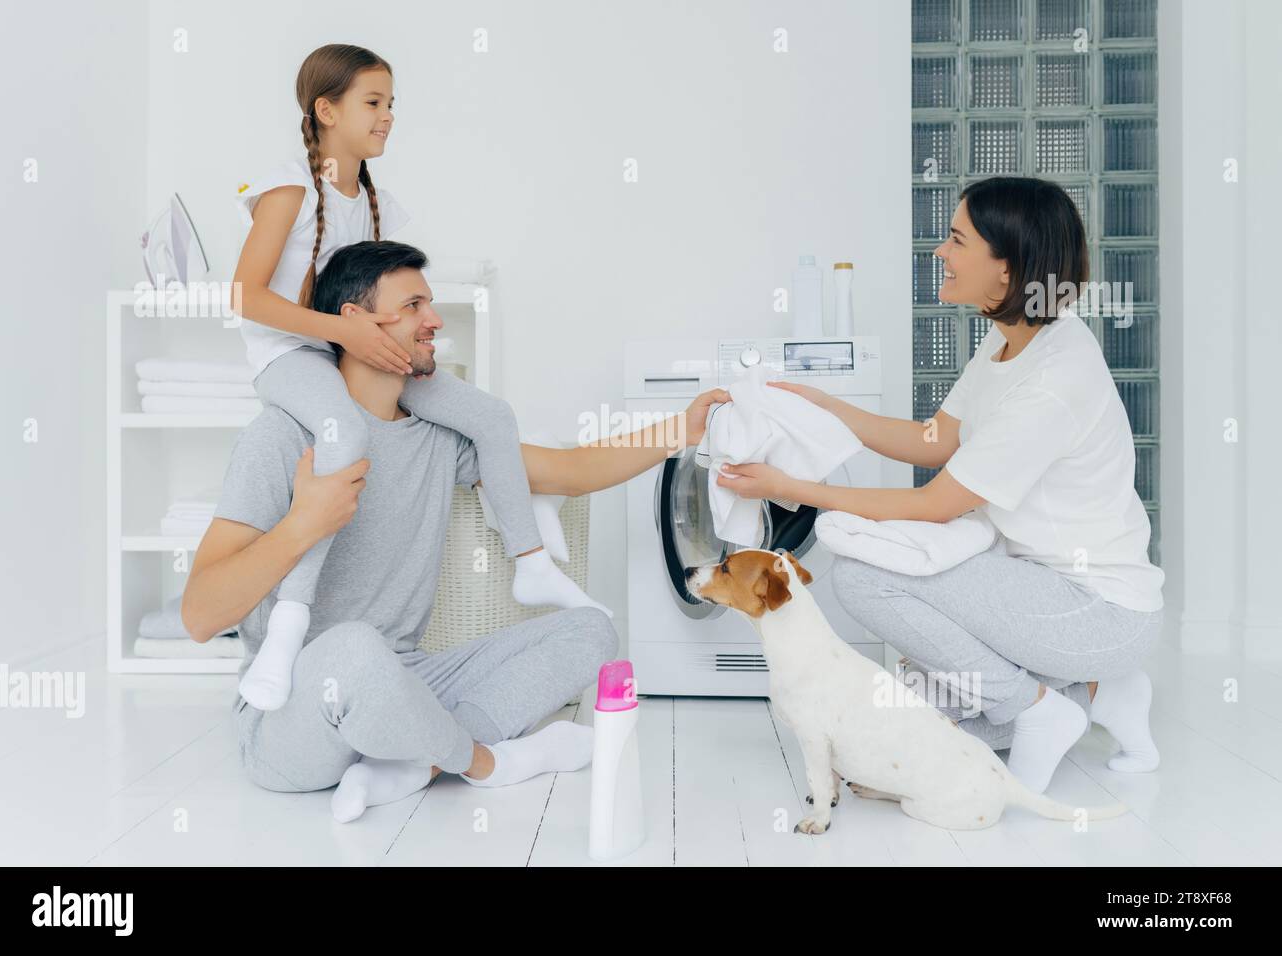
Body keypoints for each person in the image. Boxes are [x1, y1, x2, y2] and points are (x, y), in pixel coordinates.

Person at [182, 239, 729, 822]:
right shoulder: (281, 438)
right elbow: (199, 615)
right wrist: (302, 526)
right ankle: (486, 762)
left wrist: (681, 430)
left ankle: (412, 761)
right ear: (354, 322)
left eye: (431, 305)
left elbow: (568, 472)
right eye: (414, 305)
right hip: (294, 716)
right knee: (353, 650)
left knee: (592, 632)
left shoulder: (440, 438)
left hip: (407, 677)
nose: (434, 321)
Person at [717, 177, 1164, 794]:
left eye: (957, 239)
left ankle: (1045, 707)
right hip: (1039, 589)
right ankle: (1094, 692)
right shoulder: (1010, 339)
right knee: (915, 720)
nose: (939, 252)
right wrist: (825, 405)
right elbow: (935, 439)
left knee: (863, 577)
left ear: (1005, 273)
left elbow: (936, 504)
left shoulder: (1054, 381)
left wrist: (790, 484)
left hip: (1097, 610)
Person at [229, 43, 603, 713]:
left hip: (346, 349)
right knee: (344, 430)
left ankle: (532, 565)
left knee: (489, 417)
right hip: (290, 359)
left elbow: (368, 293)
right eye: (373, 103)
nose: (388, 116)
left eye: (391, 103)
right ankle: (287, 629)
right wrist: (347, 333)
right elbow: (246, 299)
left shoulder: (375, 201)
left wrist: (369, 336)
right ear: (326, 109)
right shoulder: (287, 191)